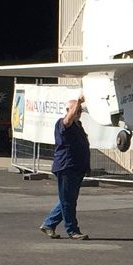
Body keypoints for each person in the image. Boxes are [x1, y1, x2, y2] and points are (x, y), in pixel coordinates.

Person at [39, 95, 91, 240]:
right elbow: (68, 119)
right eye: (76, 110)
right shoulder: (63, 123)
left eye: (80, 110)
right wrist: (78, 102)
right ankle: (72, 230)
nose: (79, 112)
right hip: (66, 167)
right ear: (69, 110)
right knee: (68, 201)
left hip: (77, 167)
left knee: (68, 199)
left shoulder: (78, 125)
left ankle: (49, 224)